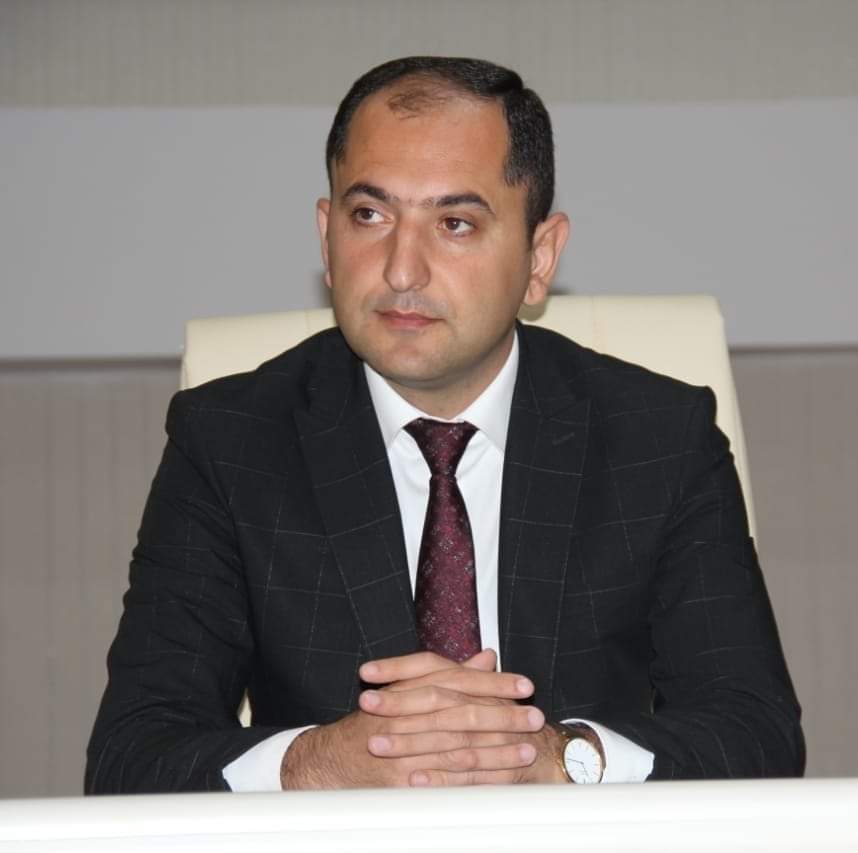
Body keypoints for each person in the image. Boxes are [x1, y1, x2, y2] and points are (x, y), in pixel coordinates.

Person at [85, 56, 803, 793]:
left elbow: (756, 734)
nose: (402, 270)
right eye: (370, 216)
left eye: (455, 224)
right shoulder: (231, 442)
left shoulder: (660, 440)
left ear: (539, 257)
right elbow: (131, 756)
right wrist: (320, 763)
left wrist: (557, 758)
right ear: (326, 237)